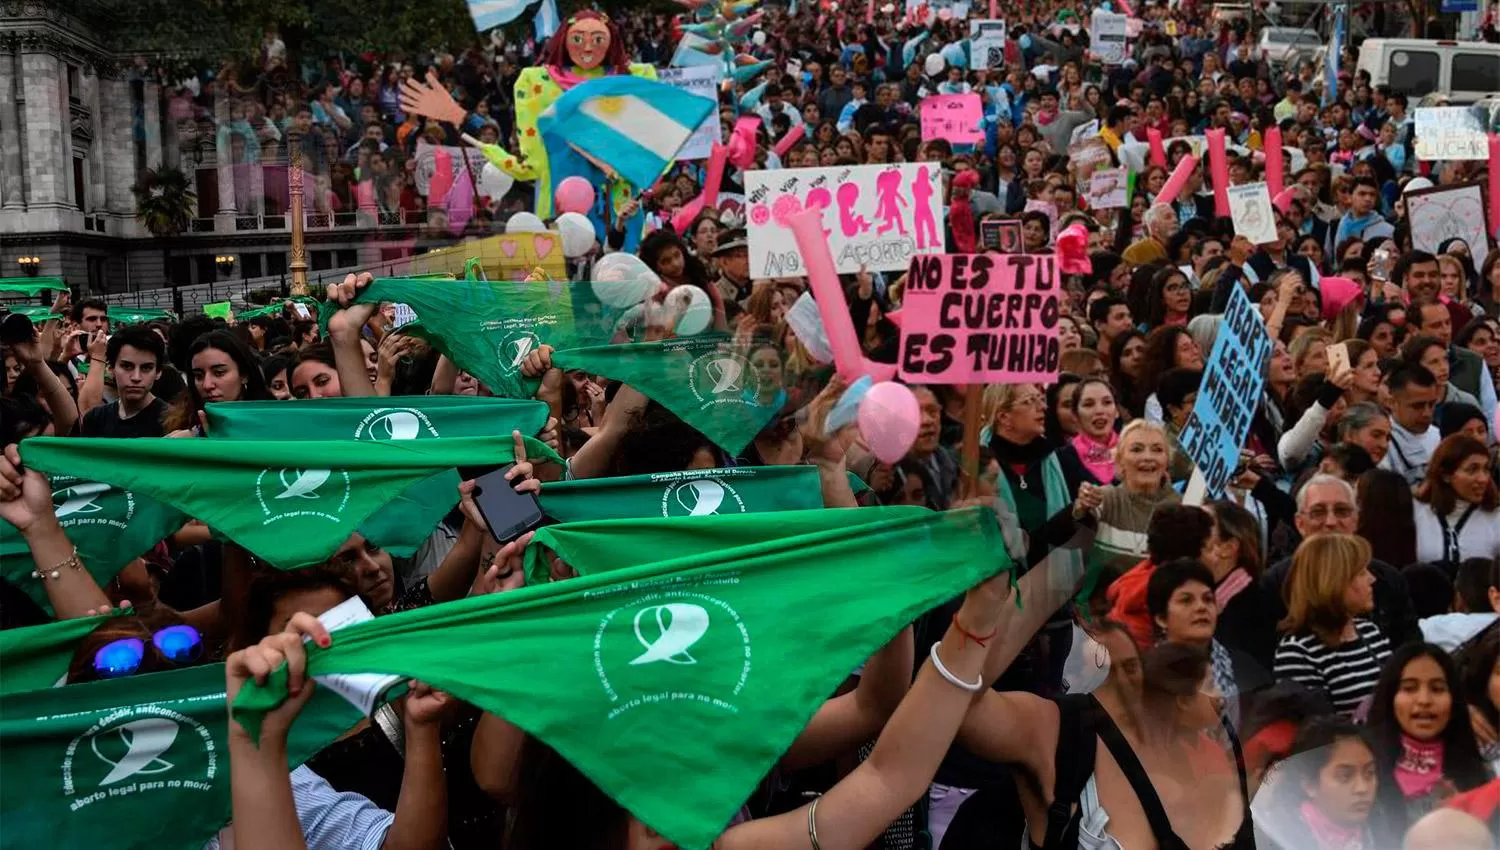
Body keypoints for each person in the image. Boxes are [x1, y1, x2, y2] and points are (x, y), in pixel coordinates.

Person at [1368, 643, 1491, 833]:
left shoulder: (1480, 773)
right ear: (1390, 698)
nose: (1424, 700)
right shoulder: (1363, 771)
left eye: (1437, 689)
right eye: (1409, 688)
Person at [1274, 533, 1393, 719]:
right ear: (1334, 581)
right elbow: (1313, 733)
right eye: (1361, 572)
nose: (1372, 579)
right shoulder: (1298, 651)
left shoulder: (1371, 632)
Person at [1251, 718, 1379, 850]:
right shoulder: (1274, 839)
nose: (1362, 788)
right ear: (1309, 784)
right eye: (1345, 776)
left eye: (1370, 773)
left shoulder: (1380, 827)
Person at [1090, 420, 1184, 574]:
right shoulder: (1105, 499)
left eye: (1157, 450)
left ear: (1167, 460)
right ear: (1120, 460)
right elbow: (1064, 538)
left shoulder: (1185, 507)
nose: (1148, 457)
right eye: (1137, 449)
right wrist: (1081, 507)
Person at [1411, 434, 1500, 570]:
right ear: (1446, 475)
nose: (1483, 479)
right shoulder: (1417, 512)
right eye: (1472, 470)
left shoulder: (1495, 516)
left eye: (1486, 469)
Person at [78, 325, 167, 438]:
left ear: (158, 372)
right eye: (127, 366)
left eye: (146, 368)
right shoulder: (96, 418)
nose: (136, 377)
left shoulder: (171, 421)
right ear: (110, 369)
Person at [1382, 365, 1442, 486]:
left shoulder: (1441, 436)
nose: (1427, 413)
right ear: (1392, 402)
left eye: (1431, 404)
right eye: (1417, 406)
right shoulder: (1382, 443)